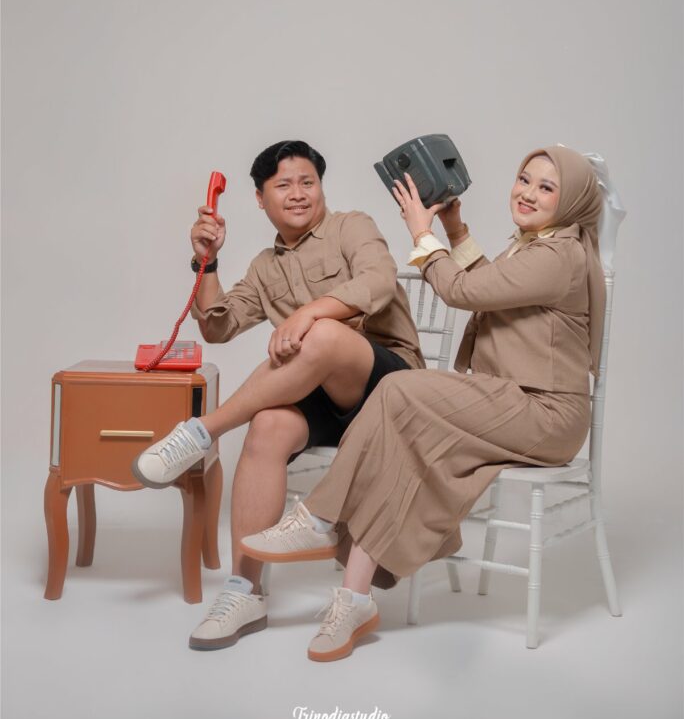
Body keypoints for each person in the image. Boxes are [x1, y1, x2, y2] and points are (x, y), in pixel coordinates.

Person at [239, 145, 606, 662]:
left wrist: (420, 232)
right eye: (524, 179)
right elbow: (492, 282)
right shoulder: (535, 246)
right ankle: (354, 599)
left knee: (397, 390)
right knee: (407, 434)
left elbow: (462, 290)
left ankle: (319, 518)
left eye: (547, 187)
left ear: (571, 201)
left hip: (545, 412)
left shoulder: (559, 254)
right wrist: (454, 228)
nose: (527, 193)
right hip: (510, 399)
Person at [131, 140, 424, 650]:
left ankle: (202, 432)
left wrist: (308, 313)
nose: (298, 193)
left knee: (324, 334)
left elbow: (378, 282)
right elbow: (218, 327)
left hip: (390, 385)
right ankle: (245, 591)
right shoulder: (265, 267)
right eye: (284, 185)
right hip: (329, 399)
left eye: (308, 182)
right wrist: (207, 262)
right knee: (267, 425)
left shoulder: (351, 226)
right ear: (260, 198)